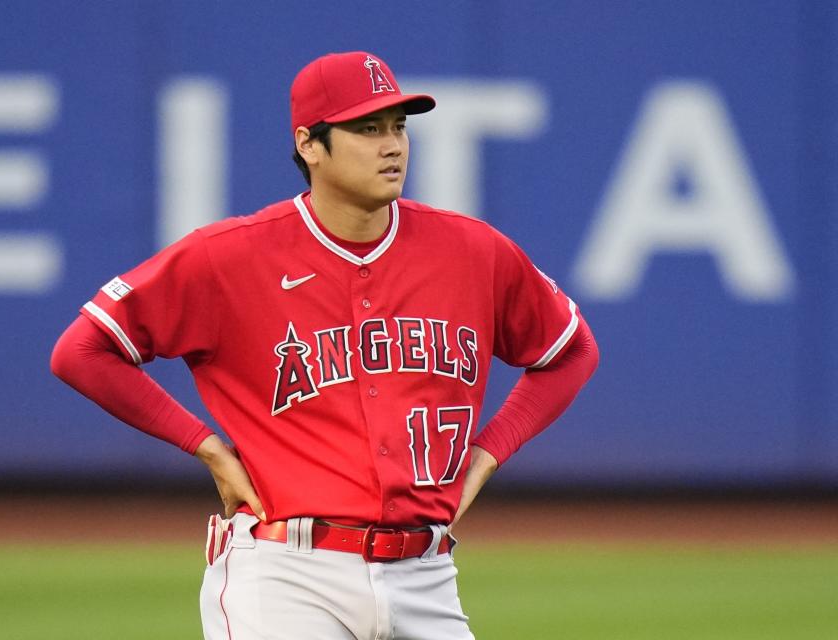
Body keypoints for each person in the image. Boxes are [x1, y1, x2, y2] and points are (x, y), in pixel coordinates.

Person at [51, 50, 598, 640]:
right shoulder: (230, 256)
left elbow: (570, 351)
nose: (392, 145)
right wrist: (205, 446)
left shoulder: (474, 251)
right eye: (367, 129)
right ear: (310, 144)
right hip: (286, 574)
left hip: (427, 572)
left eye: (398, 126)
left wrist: (487, 455)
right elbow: (82, 350)